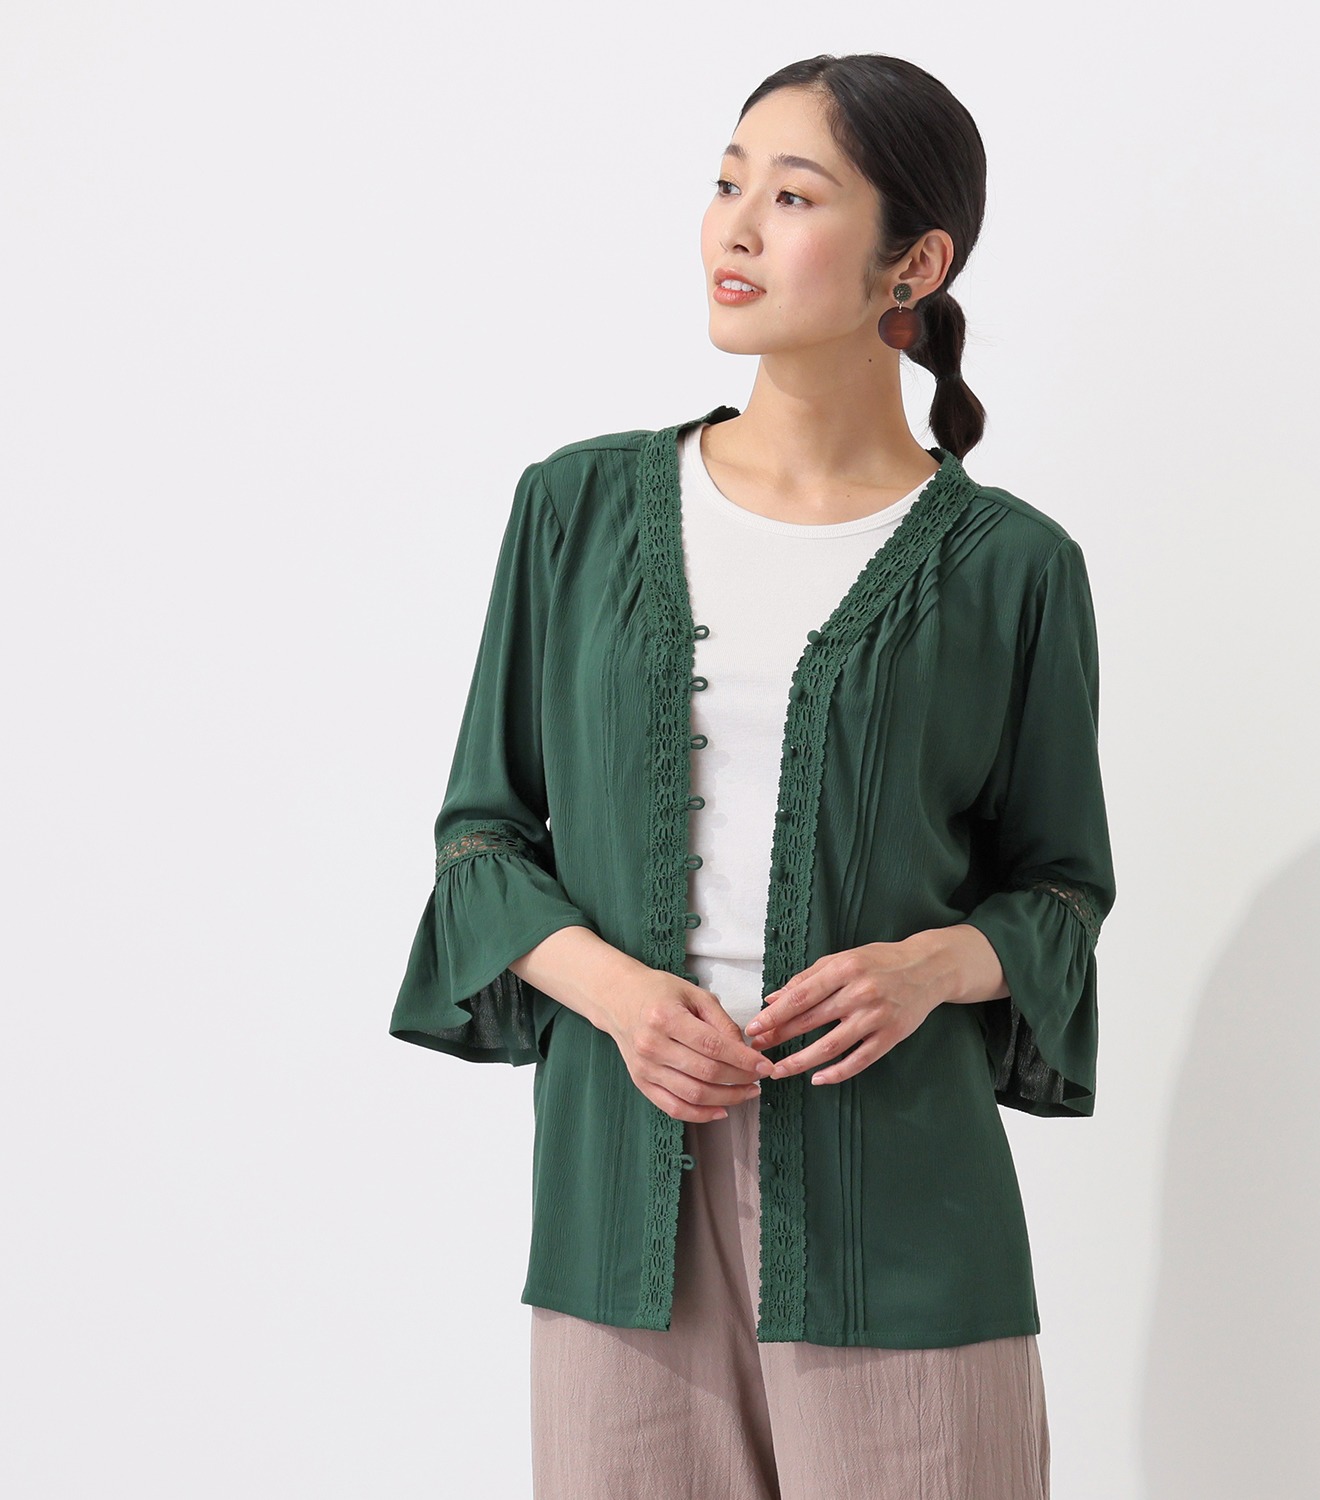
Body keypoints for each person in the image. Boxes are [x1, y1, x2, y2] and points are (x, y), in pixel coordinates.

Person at [389, 52, 1114, 1500]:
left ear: (915, 262)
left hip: (901, 1207)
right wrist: (618, 996)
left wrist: (926, 968)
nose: (734, 226)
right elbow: (481, 836)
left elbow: (1061, 891)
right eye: (727, 183)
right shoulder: (577, 508)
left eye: (793, 196)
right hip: (618, 1203)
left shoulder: (1014, 568)